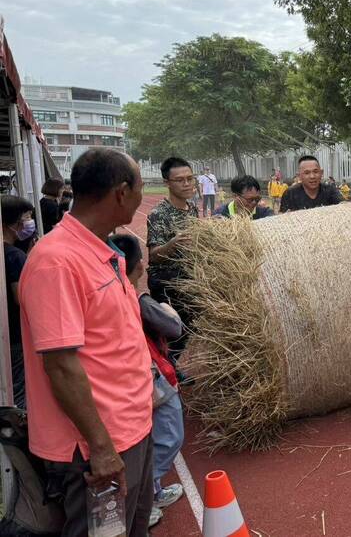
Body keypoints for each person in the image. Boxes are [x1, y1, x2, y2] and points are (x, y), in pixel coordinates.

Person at [18, 148, 153, 537]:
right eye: (141, 186)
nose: (141, 195)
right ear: (122, 192)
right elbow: (60, 365)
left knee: (132, 529)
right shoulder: (57, 262)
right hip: (99, 444)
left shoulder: (99, 249)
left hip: (130, 427)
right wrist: (102, 449)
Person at [109, 234, 185, 528]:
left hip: (136, 379)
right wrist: (169, 311)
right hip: (153, 377)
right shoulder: (138, 299)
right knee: (169, 436)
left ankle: (152, 492)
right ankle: (146, 497)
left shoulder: (118, 292)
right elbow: (173, 327)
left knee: (149, 438)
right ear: (137, 266)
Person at [147, 157, 198, 372]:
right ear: (167, 183)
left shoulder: (192, 209)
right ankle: (162, 372)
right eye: (180, 180)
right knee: (171, 331)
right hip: (167, 281)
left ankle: (170, 367)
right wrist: (172, 244)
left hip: (188, 278)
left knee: (189, 327)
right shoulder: (159, 214)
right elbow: (153, 256)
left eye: (189, 179)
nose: (187, 184)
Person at [2, 195, 35, 407]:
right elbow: (21, 297)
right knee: (19, 392)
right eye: (25, 219)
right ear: (12, 224)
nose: (28, 224)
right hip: (15, 337)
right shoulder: (14, 256)